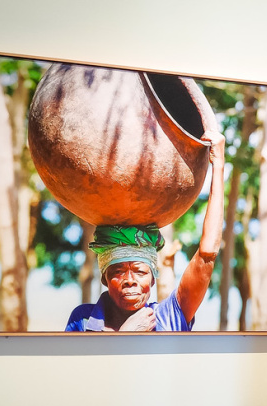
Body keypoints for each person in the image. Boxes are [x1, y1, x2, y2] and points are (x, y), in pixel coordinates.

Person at [65, 131, 225, 332]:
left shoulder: (168, 317)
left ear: (153, 278)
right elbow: (79, 364)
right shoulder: (83, 319)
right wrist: (127, 333)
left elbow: (207, 255)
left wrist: (218, 166)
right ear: (104, 278)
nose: (130, 281)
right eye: (118, 271)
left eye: (140, 272)